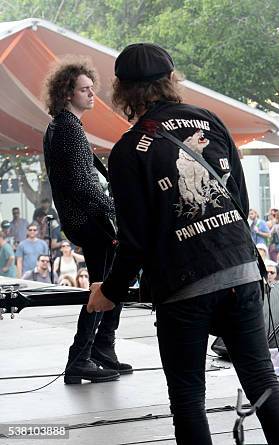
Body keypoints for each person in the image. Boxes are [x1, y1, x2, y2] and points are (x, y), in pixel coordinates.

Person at [86, 43, 279, 444]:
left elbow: (133, 242)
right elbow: (240, 200)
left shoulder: (129, 152)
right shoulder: (209, 121)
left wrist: (110, 292)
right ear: (171, 80)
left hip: (184, 286)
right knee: (262, 381)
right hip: (240, 269)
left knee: (187, 399)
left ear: (122, 91)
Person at [42, 56, 130, 384]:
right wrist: (115, 210)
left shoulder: (65, 127)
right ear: (68, 93)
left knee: (109, 283)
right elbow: (82, 184)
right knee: (103, 288)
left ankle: (101, 350)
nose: (92, 94)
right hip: (91, 223)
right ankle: (81, 357)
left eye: (92, 88)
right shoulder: (68, 130)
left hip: (83, 221)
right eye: (85, 89)